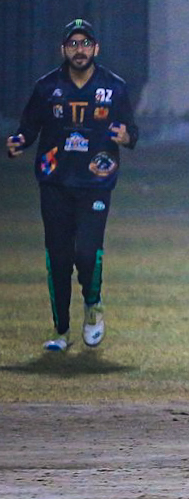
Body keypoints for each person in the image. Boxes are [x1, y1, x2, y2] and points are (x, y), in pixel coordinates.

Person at [6, 19, 138, 352]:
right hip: (55, 181)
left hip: (96, 182)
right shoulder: (47, 87)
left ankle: (93, 306)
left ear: (96, 48)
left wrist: (126, 137)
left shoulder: (114, 87)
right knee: (59, 258)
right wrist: (18, 141)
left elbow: (132, 132)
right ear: (63, 49)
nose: (80, 50)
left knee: (86, 253)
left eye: (86, 43)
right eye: (73, 44)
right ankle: (61, 330)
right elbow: (28, 127)